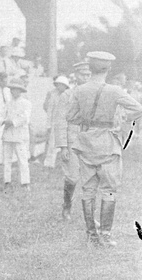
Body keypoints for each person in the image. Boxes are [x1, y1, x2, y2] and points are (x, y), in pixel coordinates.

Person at [66, 51, 142, 247]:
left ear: (89, 67)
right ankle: (106, 235)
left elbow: (71, 117)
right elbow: (138, 109)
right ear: (108, 69)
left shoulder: (79, 90)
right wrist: (122, 117)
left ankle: (91, 234)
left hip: (86, 142)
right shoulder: (114, 90)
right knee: (109, 189)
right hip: (107, 143)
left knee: (88, 189)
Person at [54, 61, 91, 221]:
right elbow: (61, 121)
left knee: (92, 177)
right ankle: (67, 206)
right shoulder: (67, 96)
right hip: (73, 141)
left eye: (89, 74)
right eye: (83, 74)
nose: (87, 77)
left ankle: (89, 212)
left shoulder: (94, 95)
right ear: (76, 76)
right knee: (72, 177)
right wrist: (63, 146)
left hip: (91, 141)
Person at [2, 78, 32, 190]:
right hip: (8, 134)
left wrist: (12, 122)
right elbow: (1, 114)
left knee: (22, 159)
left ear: (20, 91)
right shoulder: (8, 103)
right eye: (11, 89)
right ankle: (7, 181)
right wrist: (2, 120)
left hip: (19, 135)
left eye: (16, 89)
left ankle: (25, 183)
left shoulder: (26, 103)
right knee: (7, 159)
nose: (13, 91)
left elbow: (25, 118)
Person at [39, 75, 70, 167]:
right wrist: (48, 125)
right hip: (55, 123)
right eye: (58, 85)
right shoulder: (53, 95)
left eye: (62, 85)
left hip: (66, 122)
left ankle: (68, 163)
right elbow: (49, 110)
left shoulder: (69, 95)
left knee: (68, 143)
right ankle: (49, 163)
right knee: (52, 144)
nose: (60, 87)